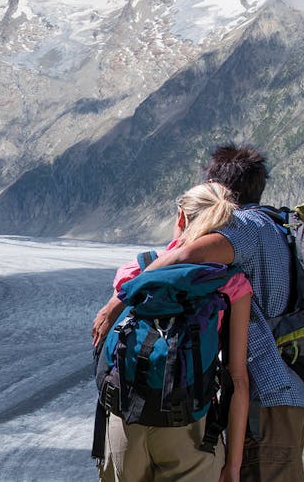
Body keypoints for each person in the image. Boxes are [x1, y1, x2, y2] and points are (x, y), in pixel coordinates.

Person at [94, 144, 304, 481]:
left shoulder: (240, 226)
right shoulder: (275, 226)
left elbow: (182, 256)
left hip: (259, 405)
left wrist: (115, 304)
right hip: (273, 398)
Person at [97, 181, 251, 482]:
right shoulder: (231, 284)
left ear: (181, 217)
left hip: (126, 421)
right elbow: (238, 379)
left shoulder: (134, 272)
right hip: (190, 428)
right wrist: (233, 465)